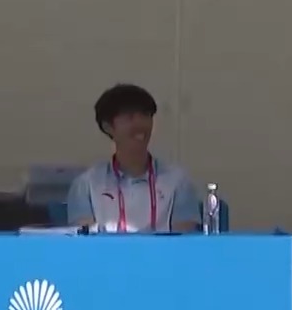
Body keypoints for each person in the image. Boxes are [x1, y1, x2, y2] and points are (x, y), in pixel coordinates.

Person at [65, 84, 200, 233]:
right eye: (130, 117)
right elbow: (84, 242)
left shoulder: (178, 182)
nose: (140, 124)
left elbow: (184, 241)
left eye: (145, 115)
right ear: (108, 127)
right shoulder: (86, 185)